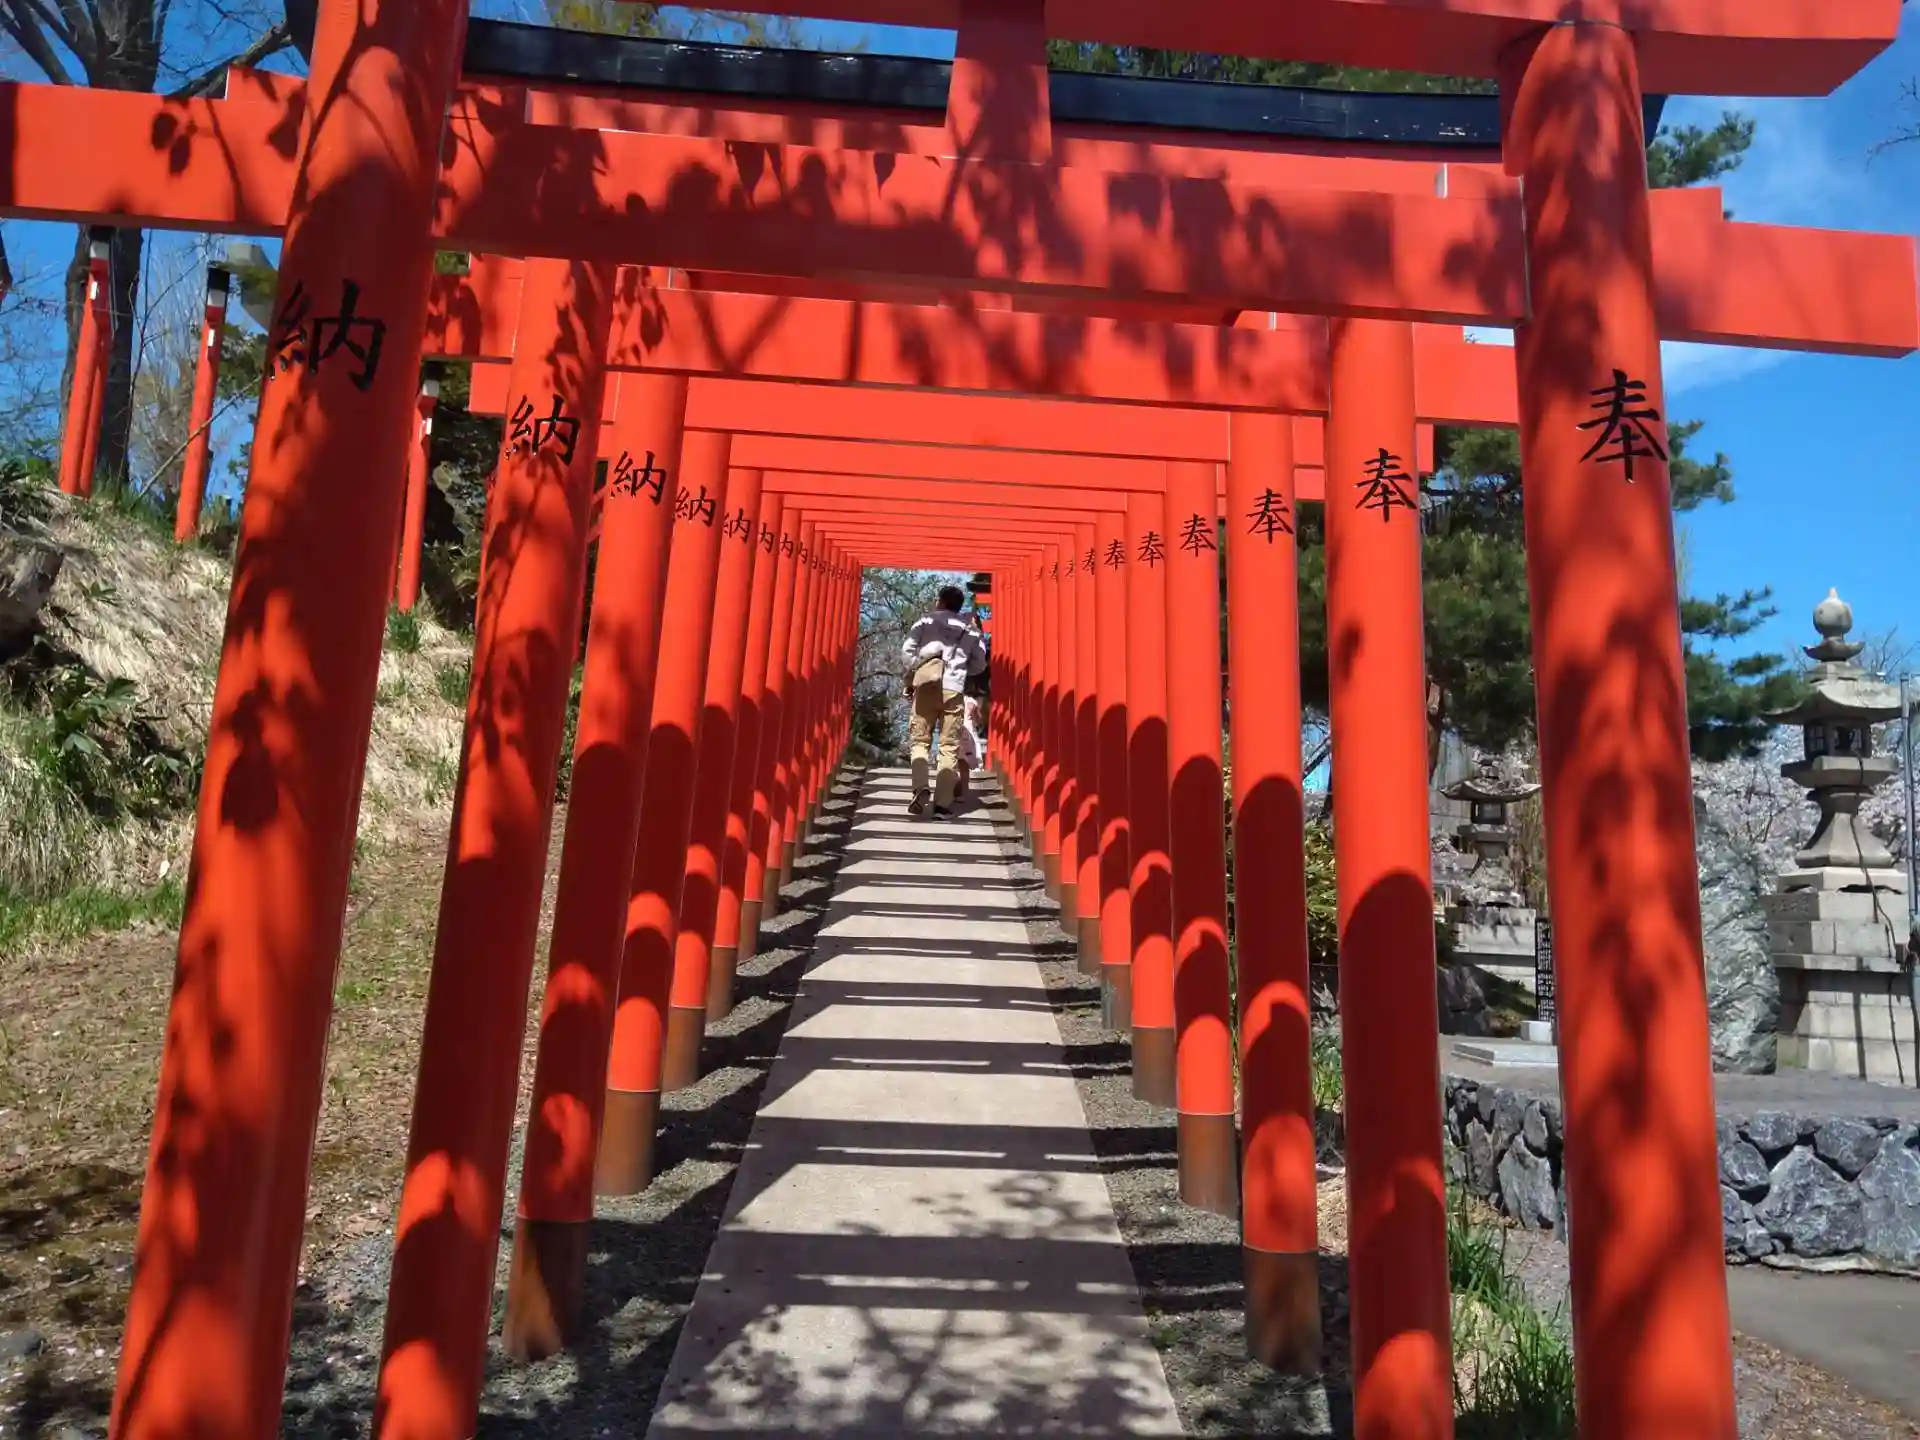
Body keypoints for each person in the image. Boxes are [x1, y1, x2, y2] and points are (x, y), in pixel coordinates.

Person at [901, 584, 987, 815]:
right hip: (954, 689)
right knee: (949, 746)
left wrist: (917, 671)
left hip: (927, 685)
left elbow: (907, 651)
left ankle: (920, 787)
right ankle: (942, 804)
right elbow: (979, 664)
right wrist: (961, 669)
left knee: (920, 741)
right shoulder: (970, 630)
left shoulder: (925, 621)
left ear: (940, 601)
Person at [955, 694, 984, 798]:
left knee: (952, 760)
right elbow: (979, 720)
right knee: (964, 763)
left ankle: (953, 785)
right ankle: (964, 791)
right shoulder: (972, 702)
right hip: (968, 733)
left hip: (954, 729)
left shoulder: (951, 697)